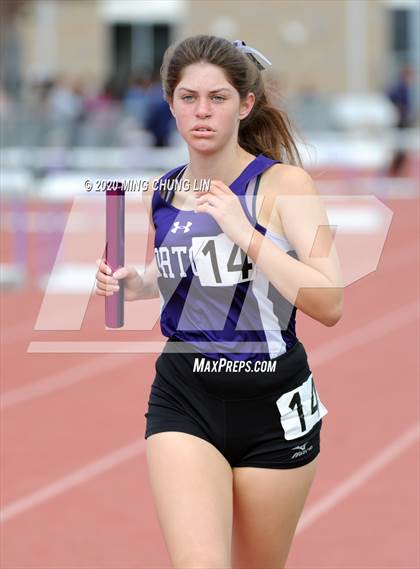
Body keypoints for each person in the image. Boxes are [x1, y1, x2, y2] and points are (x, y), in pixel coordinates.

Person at [95, 35, 343, 569]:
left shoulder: (285, 185)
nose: (202, 112)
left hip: (273, 404)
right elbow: (192, 283)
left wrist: (244, 230)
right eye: (188, 98)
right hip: (186, 395)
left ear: (245, 104)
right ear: (170, 103)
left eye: (218, 98)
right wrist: (133, 282)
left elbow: (329, 301)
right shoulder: (159, 193)